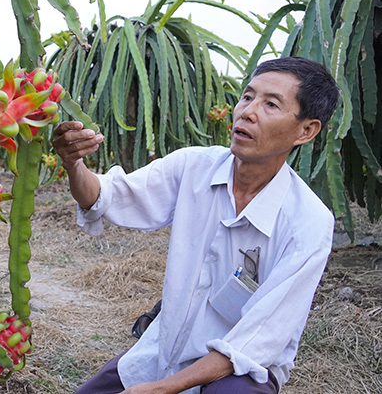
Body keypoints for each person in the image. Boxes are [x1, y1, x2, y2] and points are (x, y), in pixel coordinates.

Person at [51, 56, 339, 394]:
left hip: (237, 372)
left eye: (271, 104)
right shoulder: (193, 167)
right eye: (247, 97)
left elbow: (255, 342)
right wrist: (73, 163)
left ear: (306, 130)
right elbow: (105, 196)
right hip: (163, 350)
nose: (247, 111)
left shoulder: (308, 224)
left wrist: (161, 389)